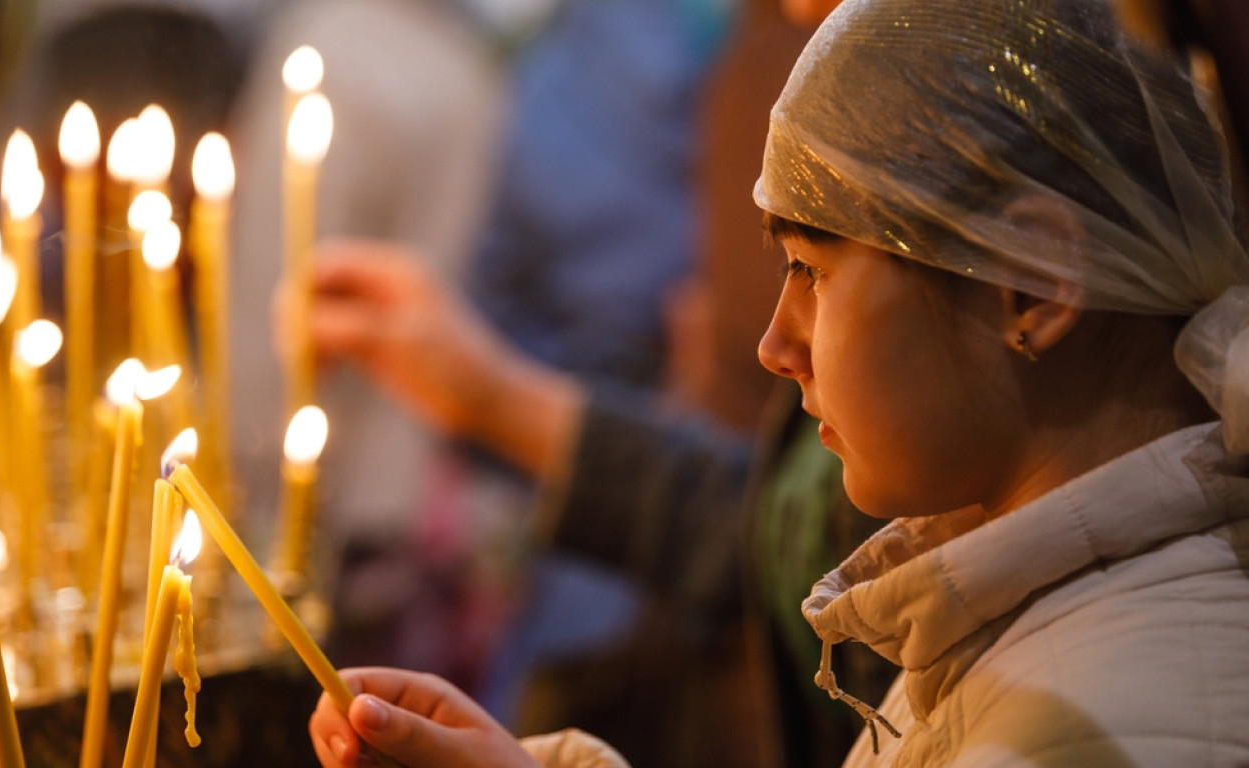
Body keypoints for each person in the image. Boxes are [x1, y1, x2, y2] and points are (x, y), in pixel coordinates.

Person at [305, 0, 1249, 765]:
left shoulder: (1078, 721)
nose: (774, 345)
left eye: (813, 272)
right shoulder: (1002, 618)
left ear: (1030, 285)